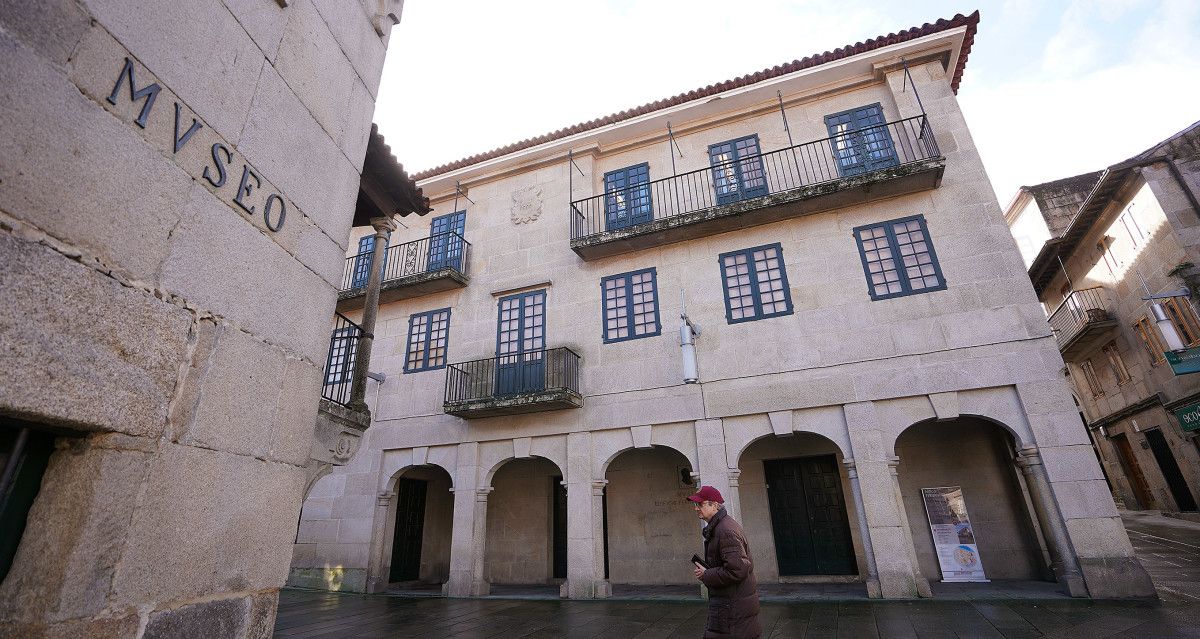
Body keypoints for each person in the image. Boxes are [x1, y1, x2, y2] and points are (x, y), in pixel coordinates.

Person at [687, 485, 761, 639]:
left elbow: (737, 570)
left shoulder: (725, 531)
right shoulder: (719, 527)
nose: (696, 508)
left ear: (714, 505)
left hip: (733, 607)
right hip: (729, 605)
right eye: (695, 504)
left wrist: (707, 574)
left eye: (700, 504)